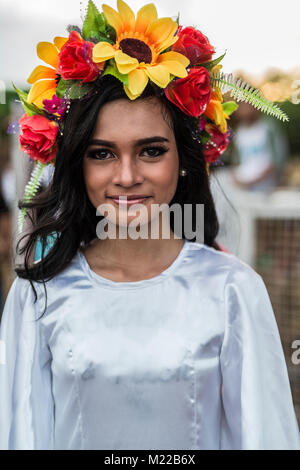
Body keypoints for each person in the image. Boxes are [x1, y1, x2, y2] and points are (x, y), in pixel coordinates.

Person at [0, 0, 299, 451]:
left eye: (151, 151)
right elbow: (21, 433)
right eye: (101, 153)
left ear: (184, 160)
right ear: (77, 165)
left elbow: (265, 436)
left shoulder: (233, 290)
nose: (126, 176)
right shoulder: (37, 295)